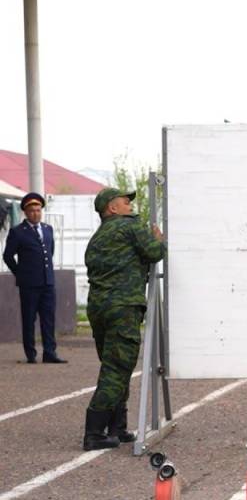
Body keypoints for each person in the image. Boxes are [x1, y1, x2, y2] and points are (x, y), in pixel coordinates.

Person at [82, 188, 165, 451]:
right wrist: (159, 240)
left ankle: (117, 427)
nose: (130, 205)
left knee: (114, 366)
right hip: (123, 308)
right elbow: (154, 252)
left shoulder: (97, 238)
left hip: (99, 309)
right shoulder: (129, 226)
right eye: (125, 202)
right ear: (112, 208)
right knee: (117, 368)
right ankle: (94, 433)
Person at [2, 192, 66, 364]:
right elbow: (7, 256)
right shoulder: (18, 232)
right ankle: (31, 353)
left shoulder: (47, 229)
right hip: (29, 284)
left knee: (48, 318)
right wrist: (20, 273)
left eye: (38, 210)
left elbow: (50, 252)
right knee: (29, 319)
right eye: (32, 211)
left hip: (47, 282)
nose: (36, 214)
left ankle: (49, 352)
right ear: (25, 212)